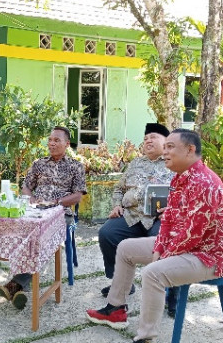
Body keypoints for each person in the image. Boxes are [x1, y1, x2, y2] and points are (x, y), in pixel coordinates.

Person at [86, 129, 223, 343]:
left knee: (152, 273)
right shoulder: (180, 178)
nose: (165, 152)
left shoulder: (204, 183)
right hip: (181, 246)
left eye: (170, 147)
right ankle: (115, 309)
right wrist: (159, 248)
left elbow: (192, 235)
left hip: (206, 256)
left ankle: (146, 337)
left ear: (190, 150)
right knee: (126, 248)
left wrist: (163, 254)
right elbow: (168, 219)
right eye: (165, 146)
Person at [0, 126, 87, 309]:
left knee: (39, 237)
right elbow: (26, 187)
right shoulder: (39, 164)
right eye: (50, 140)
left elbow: (78, 196)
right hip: (36, 210)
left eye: (57, 140)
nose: (52, 143)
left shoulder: (76, 167)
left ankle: (16, 283)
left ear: (67, 144)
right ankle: (21, 285)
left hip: (61, 214)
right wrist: (30, 199)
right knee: (23, 233)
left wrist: (56, 202)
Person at [98, 123, 173, 301]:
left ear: (166, 141)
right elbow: (119, 189)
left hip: (159, 219)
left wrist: (173, 210)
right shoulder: (135, 163)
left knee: (164, 243)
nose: (148, 141)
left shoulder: (173, 163)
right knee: (107, 233)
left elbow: (186, 194)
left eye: (153, 137)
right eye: (145, 138)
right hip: (132, 216)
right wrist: (116, 205)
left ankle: (169, 294)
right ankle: (121, 283)